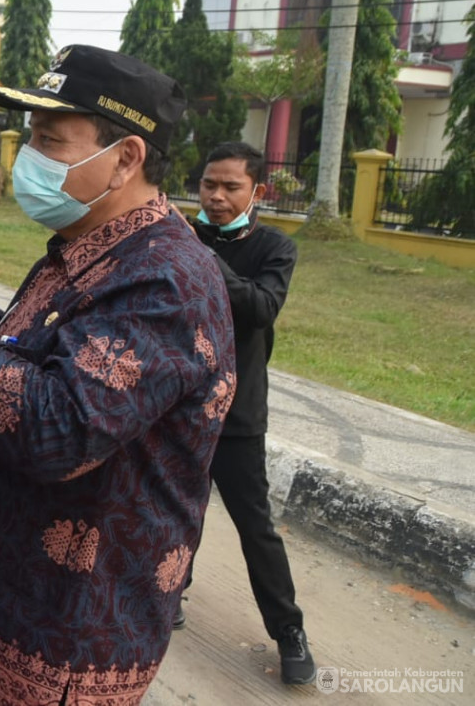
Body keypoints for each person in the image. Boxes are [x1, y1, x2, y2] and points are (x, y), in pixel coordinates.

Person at [0, 45, 237, 705]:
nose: (27, 155)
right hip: (13, 612)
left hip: (65, 646)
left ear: (125, 158)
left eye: (50, 139)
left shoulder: (164, 279)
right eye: (29, 135)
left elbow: (57, 428)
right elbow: (52, 357)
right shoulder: (93, 247)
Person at [178, 141, 315, 684]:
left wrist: (202, 256)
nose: (216, 197)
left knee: (255, 526)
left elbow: (260, 308)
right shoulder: (177, 236)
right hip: (177, 407)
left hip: (236, 416)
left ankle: (289, 632)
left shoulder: (274, 249)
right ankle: (169, 594)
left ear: (257, 191)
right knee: (173, 508)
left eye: (231, 187)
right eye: (209, 185)